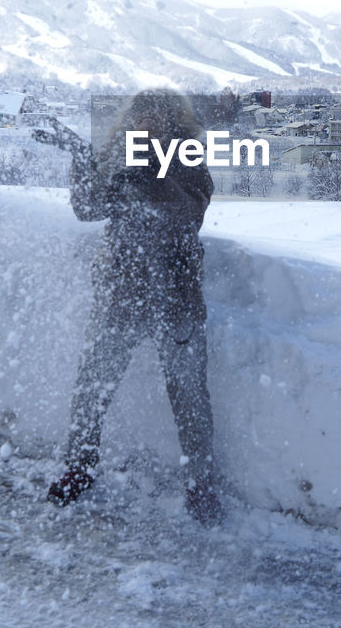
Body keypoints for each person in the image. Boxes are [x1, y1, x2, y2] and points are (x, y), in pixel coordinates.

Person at [47, 89, 222, 525]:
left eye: (158, 115)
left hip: (176, 294)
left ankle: (200, 486)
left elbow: (188, 213)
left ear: (173, 122)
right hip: (122, 290)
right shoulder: (117, 154)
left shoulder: (188, 159)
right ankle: (80, 468)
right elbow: (88, 208)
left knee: (189, 397)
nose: (148, 121)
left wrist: (148, 175)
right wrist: (81, 157)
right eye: (141, 112)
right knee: (92, 386)